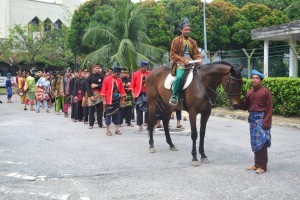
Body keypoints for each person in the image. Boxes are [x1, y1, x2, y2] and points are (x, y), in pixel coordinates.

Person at [239, 70, 272, 174]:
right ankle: (256, 164)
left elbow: (269, 108)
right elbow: (246, 106)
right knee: (255, 143)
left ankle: (262, 166)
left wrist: (266, 122)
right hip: (252, 119)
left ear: (261, 80)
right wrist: (238, 102)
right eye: (253, 78)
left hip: (262, 119)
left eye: (257, 78)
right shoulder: (249, 92)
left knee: (262, 142)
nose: (254, 80)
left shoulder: (266, 92)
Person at [169, 17, 202, 106]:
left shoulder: (192, 42)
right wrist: (184, 60)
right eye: (185, 30)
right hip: (180, 64)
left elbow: (196, 53)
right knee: (179, 77)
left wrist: (199, 59)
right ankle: (175, 96)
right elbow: (173, 54)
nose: (187, 31)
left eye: (189, 30)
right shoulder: (176, 41)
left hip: (192, 64)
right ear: (181, 30)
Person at [101, 66, 126, 136]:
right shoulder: (106, 79)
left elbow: (122, 91)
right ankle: (108, 130)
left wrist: (123, 100)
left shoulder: (119, 80)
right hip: (109, 100)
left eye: (119, 74)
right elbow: (103, 90)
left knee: (117, 115)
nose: (119, 75)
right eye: (117, 74)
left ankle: (117, 129)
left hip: (117, 100)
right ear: (114, 72)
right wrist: (104, 101)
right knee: (108, 115)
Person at [130, 61, 150, 132]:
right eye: (144, 68)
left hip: (147, 93)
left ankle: (148, 124)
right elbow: (132, 85)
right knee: (139, 110)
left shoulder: (149, 73)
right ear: (141, 67)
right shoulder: (135, 74)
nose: (146, 69)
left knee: (148, 109)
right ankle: (140, 125)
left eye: (146, 68)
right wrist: (133, 93)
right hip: (138, 93)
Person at [86, 64, 105, 129]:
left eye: (98, 68)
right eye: (96, 68)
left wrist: (97, 85)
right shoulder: (89, 77)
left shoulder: (101, 76)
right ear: (93, 68)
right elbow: (88, 87)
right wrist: (91, 95)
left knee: (100, 110)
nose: (98, 69)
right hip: (91, 94)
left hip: (99, 94)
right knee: (91, 110)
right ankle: (91, 124)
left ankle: (100, 123)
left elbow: (104, 84)